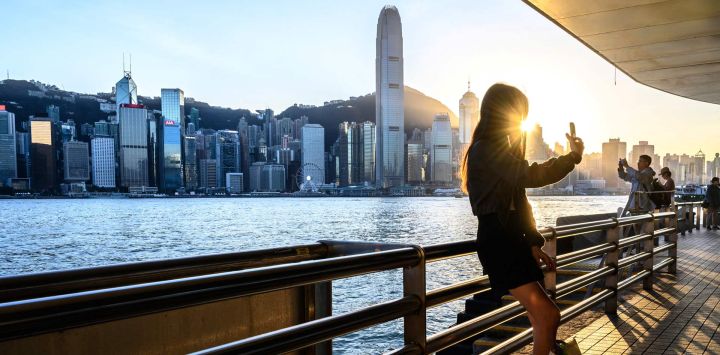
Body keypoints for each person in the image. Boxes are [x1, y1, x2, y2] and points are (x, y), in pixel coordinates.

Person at [461, 83, 584, 355]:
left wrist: (532, 242)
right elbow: (530, 175)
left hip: (511, 239)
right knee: (548, 315)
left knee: (540, 316)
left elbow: (518, 200)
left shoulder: (498, 148)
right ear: (501, 112)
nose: (520, 120)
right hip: (500, 241)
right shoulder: (486, 148)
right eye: (518, 113)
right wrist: (571, 157)